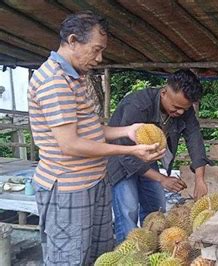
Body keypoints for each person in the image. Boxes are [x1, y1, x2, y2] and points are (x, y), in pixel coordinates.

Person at [27, 11, 164, 265]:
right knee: (68, 258)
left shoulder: (79, 77)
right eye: (96, 49)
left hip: (96, 182)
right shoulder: (54, 81)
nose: (100, 58)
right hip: (68, 190)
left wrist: (128, 131)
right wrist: (130, 151)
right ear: (72, 41)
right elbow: (71, 144)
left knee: (98, 256)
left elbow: (92, 129)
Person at [107, 69, 211, 243]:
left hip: (148, 161)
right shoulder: (138, 105)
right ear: (164, 92)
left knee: (157, 208)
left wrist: (200, 178)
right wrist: (162, 179)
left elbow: (194, 138)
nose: (179, 113)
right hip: (121, 159)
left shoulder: (184, 109)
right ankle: (127, 255)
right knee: (128, 211)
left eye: (184, 109)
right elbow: (125, 151)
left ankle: (151, 252)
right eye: (176, 107)